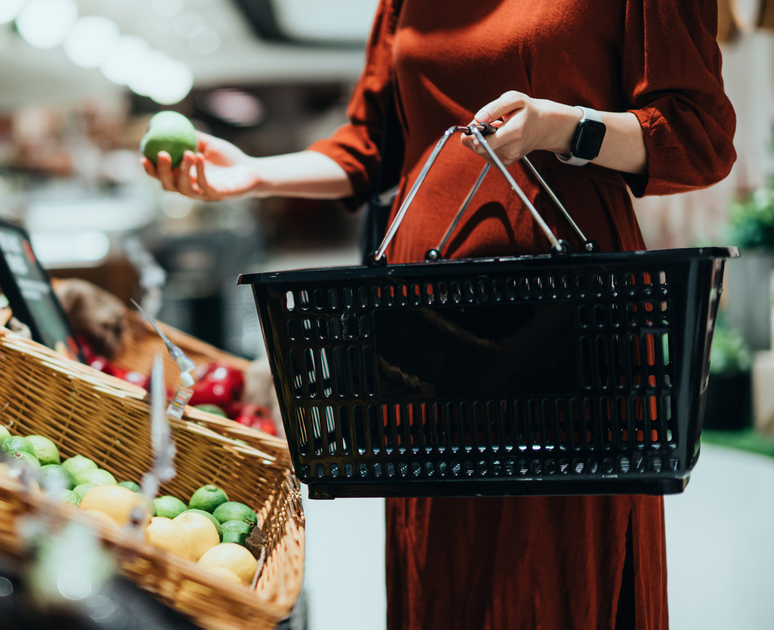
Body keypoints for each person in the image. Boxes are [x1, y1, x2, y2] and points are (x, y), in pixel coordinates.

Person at [143, 1, 736, 628]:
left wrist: (565, 127)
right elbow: (371, 147)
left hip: (571, 316)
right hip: (419, 324)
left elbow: (698, 135)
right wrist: (254, 175)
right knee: (443, 552)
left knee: (562, 545)